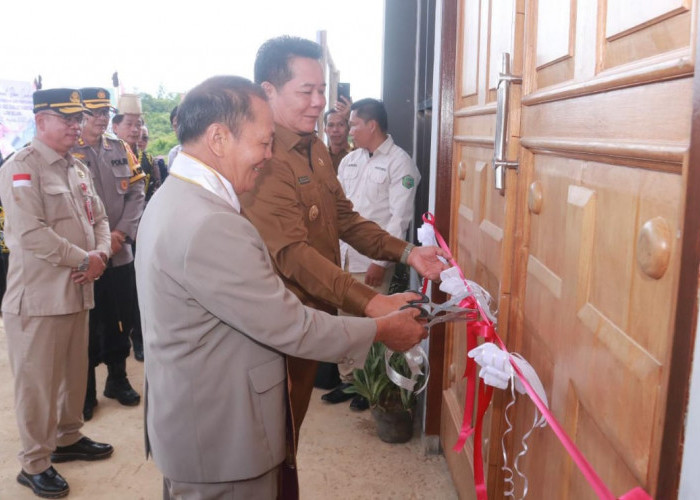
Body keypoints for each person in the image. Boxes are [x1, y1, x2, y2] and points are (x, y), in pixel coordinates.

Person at [135, 75, 427, 500]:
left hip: (202, 422)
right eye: (263, 143)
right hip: (223, 439)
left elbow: (342, 219)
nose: (269, 156)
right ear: (218, 138)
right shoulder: (211, 223)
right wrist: (381, 327)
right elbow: (291, 324)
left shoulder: (175, 196)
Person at [239, 35, 447, 464]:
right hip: (277, 323)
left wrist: (408, 253)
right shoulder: (264, 156)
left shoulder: (313, 146)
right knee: (266, 443)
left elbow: (344, 218)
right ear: (268, 92)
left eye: (323, 92)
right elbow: (293, 253)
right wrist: (374, 306)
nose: (320, 103)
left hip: (315, 313)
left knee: (289, 431)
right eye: (307, 91)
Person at [0, 88, 114, 499]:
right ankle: (33, 464)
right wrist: (87, 260)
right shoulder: (21, 168)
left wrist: (100, 253)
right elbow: (30, 235)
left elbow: (99, 217)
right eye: (66, 118)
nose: (75, 125)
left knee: (71, 375)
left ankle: (67, 439)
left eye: (77, 118)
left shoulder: (75, 168)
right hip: (38, 302)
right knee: (37, 386)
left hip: (77, 294)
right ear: (40, 121)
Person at [326, 98, 422, 410]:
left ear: (372, 125)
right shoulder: (350, 161)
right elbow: (336, 209)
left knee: (372, 323)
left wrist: (382, 262)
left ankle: (370, 386)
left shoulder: (399, 162)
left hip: (371, 261)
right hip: (343, 256)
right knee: (345, 321)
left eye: (353, 124)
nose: (348, 130)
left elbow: (400, 218)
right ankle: (349, 382)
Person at [71, 88, 146, 420]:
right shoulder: (67, 152)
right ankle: (84, 391)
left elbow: (137, 192)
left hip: (119, 253)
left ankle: (117, 379)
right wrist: (99, 245)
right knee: (86, 326)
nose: (101, 118)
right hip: (85, 257)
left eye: (105, 112)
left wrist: (120, 234)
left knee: (122, 318)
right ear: (79, 116)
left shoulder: (121, 149)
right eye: (94, 112)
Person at [111, 94, 151, 362]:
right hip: (120, 237)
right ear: (115, 127)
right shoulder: (106, 154)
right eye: (130, 124)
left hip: (144, 232)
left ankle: (140, 339)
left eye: (138, 125)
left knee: (143, 290)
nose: (135, 130)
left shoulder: (146, 158)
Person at [324, 107, 352, 173]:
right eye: (331, 125)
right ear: (325, 130)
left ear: (348, 129)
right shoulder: (320, 157)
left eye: (341, 125)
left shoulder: (357, 155)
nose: (335, 130)